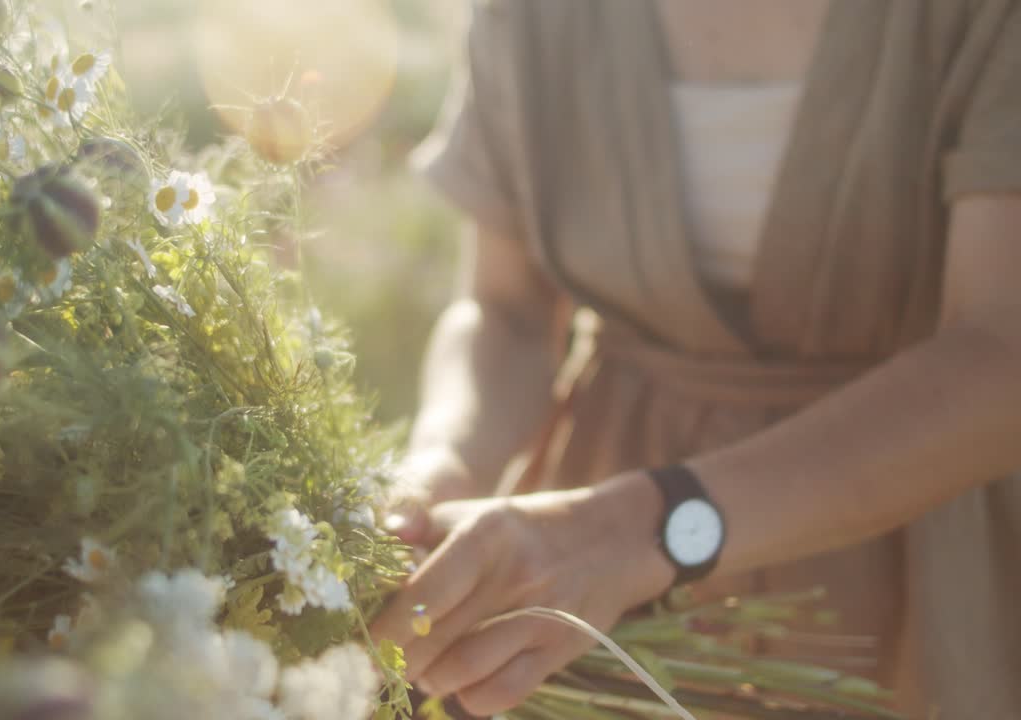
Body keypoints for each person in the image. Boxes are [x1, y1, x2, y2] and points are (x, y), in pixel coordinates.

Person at [368, 1, 1021, 717]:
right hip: (589, 587)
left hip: (919, 549)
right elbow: (509, 311)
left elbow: (999, 350)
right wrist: (448, 460)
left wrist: (632, 529)